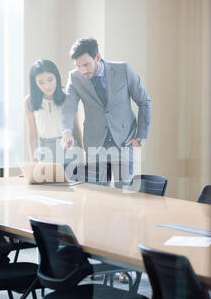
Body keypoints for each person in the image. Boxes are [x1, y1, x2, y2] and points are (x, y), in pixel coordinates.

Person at [61, 37, 151, 188]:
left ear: (97, 57)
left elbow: (144, 102)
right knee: (96, 195)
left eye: (86, 64)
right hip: (95, 143)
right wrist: (66, 131)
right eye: (78, 66)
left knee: (125, 194)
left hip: (124, 141)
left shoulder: (123, 70)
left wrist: (140, 136)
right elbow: (68, 108)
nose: (82, 71)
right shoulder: (74, 77)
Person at [24, 59, 83, 167]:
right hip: (45, 152)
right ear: (35, 83)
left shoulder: (68, 97)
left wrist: (82, 155)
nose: (47, 86)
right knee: (49, 183)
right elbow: (32, 136)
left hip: (70, 150)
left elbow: (76, 129)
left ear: (57, 77)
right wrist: (34, 162)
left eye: (50, 80)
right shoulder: (29, 101)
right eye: (41, 82)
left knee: (76, 184)